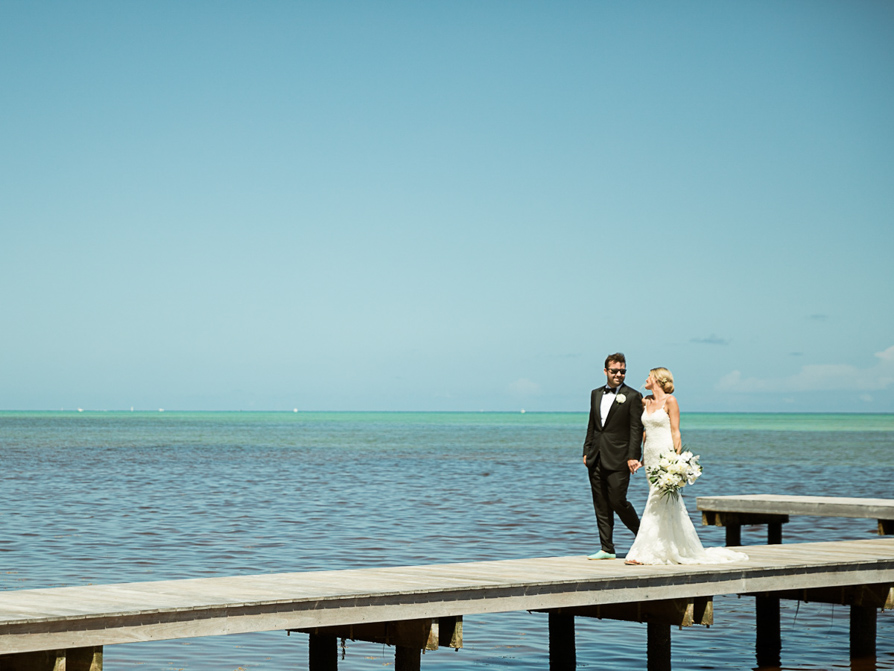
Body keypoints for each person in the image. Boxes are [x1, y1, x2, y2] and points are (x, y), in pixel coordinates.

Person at [624, 367, 748, 565]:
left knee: (657, 500)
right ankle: (667, 547)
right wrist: (641, 457)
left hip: (665, 455)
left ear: (656, 379)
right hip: (650, 456)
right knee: (662, 502)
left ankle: (646, 552)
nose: (645, 379)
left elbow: (675, 432)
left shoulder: (670, 401)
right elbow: (645, 433)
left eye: (649, 376)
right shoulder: (645, 401)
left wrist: (676, 462)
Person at [582, 353, 644, 560]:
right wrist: (586, 449)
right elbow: (592, 424)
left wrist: (634, 456)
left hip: (620, 458)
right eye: (615, 371)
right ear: (605, 371)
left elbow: (636, 429)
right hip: (595, 456)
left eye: (622, 371)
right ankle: (607, 548)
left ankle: (643, 536)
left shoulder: (633, 396)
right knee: (600, 503)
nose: (619, 374)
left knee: (618, 500)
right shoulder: (595, 394)